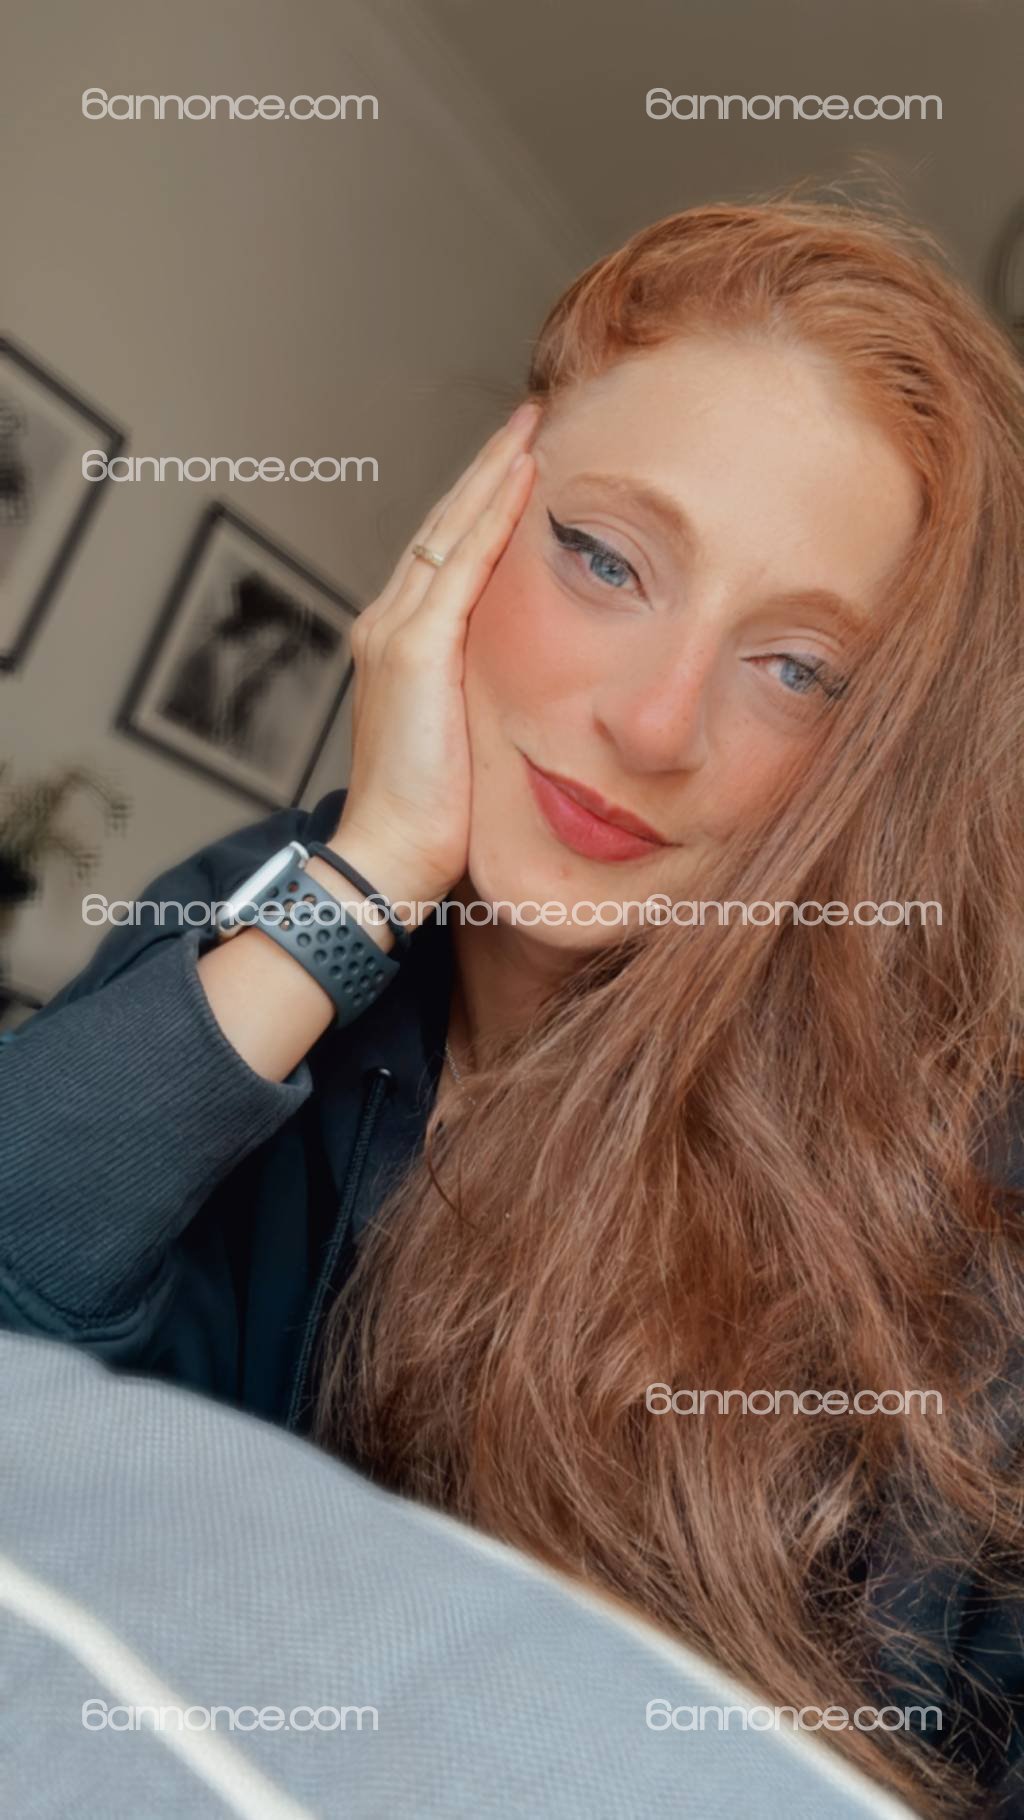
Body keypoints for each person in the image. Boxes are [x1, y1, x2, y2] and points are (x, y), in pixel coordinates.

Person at [3, 193, 1023, 1817]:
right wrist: (366, 883)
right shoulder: (275, 907)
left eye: (798, 668)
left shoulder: (951, 1193)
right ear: (476, 523)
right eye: (606, 559)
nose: (658, 722)